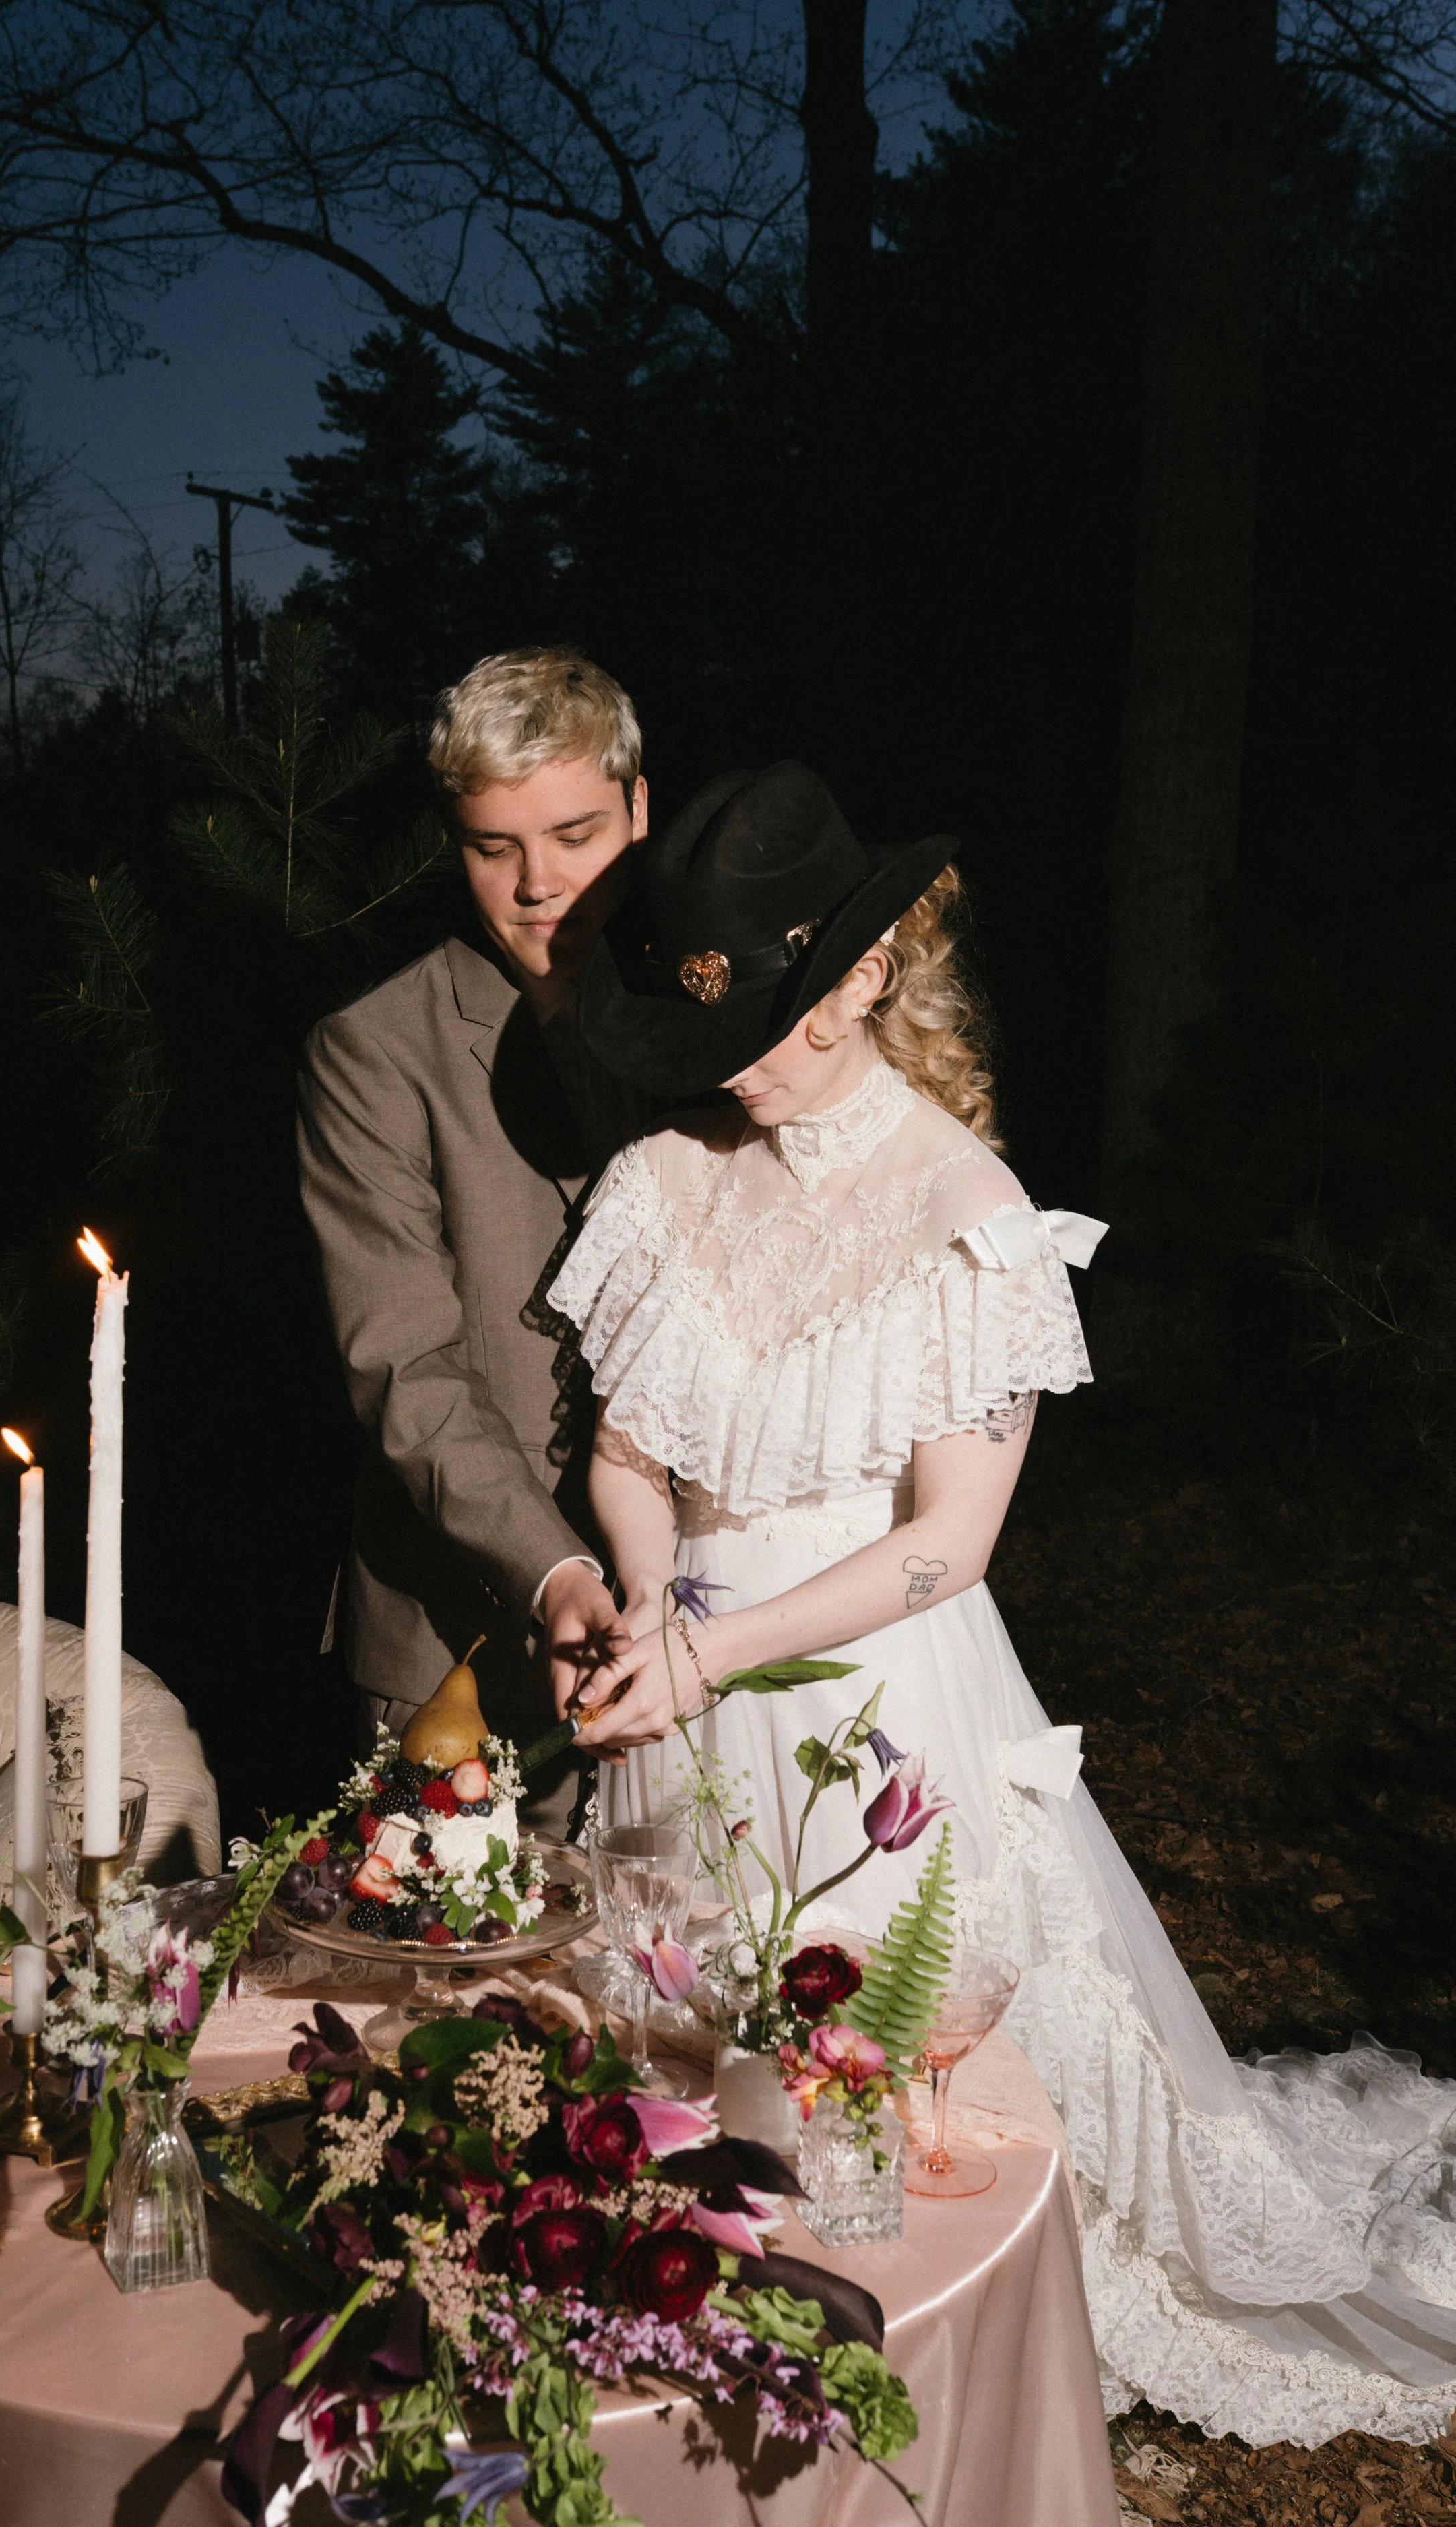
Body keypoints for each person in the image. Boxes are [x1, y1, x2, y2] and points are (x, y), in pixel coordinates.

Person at [547, 758, 1456, 2447]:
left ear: (869, 972)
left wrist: (715, 1652)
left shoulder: (970, 1221)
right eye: (711, 1023)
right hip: (676, 1677)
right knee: (676, 2050)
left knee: (887, 2065)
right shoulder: (666, 1178)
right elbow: (621, 1450)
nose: (730, 1063)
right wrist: (643, 1595)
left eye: (768, 1016)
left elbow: (944, 1548)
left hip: (873, 1693)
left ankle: (910, 2340)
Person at [296, 648, 647, 1821]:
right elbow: (404, 1362)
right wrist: (554, 1569)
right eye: (496, 848)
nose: (539, 882)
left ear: (641, 808)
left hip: (703, 1630)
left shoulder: (713, 1016)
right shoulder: (374, 1050)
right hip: (465, 1643)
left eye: (577, 834)